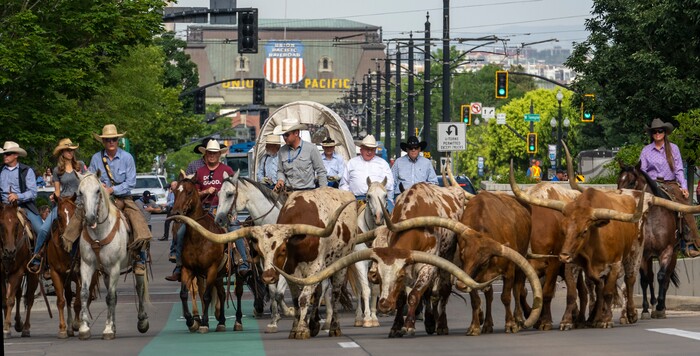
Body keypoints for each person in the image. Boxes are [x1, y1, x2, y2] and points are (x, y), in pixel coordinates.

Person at [62, 124, 151, 275]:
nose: (111, 142)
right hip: (100, 199)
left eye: (114, 139)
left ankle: (139, 259)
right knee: (77, 220)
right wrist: (98, 185)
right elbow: (90, 177)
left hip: (122, 197)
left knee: (138, 219)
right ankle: (77, 258)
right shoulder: (96, 158)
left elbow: (130, 182)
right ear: (103, 141)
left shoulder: (127, 158)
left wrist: (112, 189)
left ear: (117, 141)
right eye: (107, 140)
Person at [166, 140, 249, 281]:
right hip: (203, 211)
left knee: (235, 228)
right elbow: (190, 192)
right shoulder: (199, 172)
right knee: (181, 232)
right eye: (209, 153)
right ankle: (179, 267)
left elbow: (235, 192)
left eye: (214, 153)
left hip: (222, 210)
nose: (212, 155)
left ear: (219, 154)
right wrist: (205, 192)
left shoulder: (226, 171)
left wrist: (232, 210)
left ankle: (243, 264)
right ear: (205, 154)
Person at [640, 118, 700, 257]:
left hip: (670, 184)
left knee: (685, 207)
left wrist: (684, 187)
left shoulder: (673, 148)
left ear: (665, 132)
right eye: (654, 131)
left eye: (660, 131)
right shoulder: (646, 150)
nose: (657, 133)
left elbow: (679, 169)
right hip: (652, 184)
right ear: (651, 134)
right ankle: (632, 243)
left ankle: (692, 243)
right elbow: (642, 171)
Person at [29, 138, 88, 272]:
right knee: (44, 229)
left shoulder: (80, 165)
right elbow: (57, 190)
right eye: (67, 150)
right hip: (63, 203)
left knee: (92, 227)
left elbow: (86, 183)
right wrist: (54, 197)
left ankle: (95, 258)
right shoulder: (57, 170)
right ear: (62, 152)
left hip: (79, 203)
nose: (70, 152)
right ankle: (37, 257)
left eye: (72, 150)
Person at [0, 141, 42, 253]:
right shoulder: (0, 171)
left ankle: (38, 259)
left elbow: (33, 193)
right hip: (3, 207)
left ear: (16, 155)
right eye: (4, 154)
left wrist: (17, 196)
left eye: (8, 154)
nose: (5, 156)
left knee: (41, 230)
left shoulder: (26, 171)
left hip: (23, 206)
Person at [340, 134, 394, 210]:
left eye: (372, 149)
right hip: (356, 199)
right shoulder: (352, 163)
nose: (369, 152)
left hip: (379, 199)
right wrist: (348, 198)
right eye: (367, 149)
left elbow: (390, 185)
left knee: (392, 214)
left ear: (375, 150)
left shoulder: (383, 163)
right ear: (361, 149)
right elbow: (344, 184)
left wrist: (389, 200)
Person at [273, 118, 327, 191]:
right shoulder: (282, 151)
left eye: (287, 135)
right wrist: (281, 180)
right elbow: (280, 171)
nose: (284, 138)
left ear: (296, 133)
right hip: (288, 192)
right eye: (283, 135)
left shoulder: (311, 149)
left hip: (307, 193)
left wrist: (323, 191)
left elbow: (321, 171)